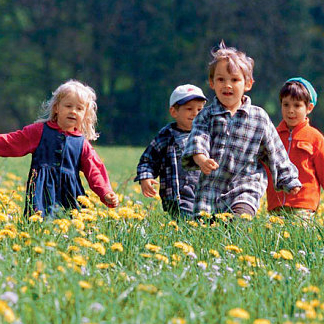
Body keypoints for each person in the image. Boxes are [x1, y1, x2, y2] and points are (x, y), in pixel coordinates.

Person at [182, 41, 301, 217]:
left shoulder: (259, 117)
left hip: (246, 184)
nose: (227, 85)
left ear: (248, 84)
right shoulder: (206, 116)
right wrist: (201, 159)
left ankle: (240, 225)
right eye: (221, 79)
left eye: (235, 80)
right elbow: (198, 137)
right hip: (212, 186)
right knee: (204, 228)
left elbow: (275, 151)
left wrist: (288, 179)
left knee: (240, 220)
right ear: (212, 83)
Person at [0, 79, 119, 218]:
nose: (73, 111)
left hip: (71, 195)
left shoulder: (82, 143)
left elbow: (95, 170)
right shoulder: (38, 131)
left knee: (71, 229)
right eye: (68, 106)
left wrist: (105, 192)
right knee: (39, 225)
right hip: (41, 193)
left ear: (85, 114)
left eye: (79, 108)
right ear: (56, 107)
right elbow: (13, 142)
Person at [135, 84, 207, 218]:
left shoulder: (207, 135)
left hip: (206, 194)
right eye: (189, 109)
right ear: (174, 112)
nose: (195, 113)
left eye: (200, 109)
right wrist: (146, 177)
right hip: (177, 197)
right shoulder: (166, 137)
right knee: (187, 225)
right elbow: (148, 161)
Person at [266, 77, 324, 215]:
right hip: (276, 206)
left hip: (303, 206)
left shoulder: (315, 138)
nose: (290, 110)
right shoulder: (272, 136)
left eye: (297, 106)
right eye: (286, 105)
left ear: (309, 108)